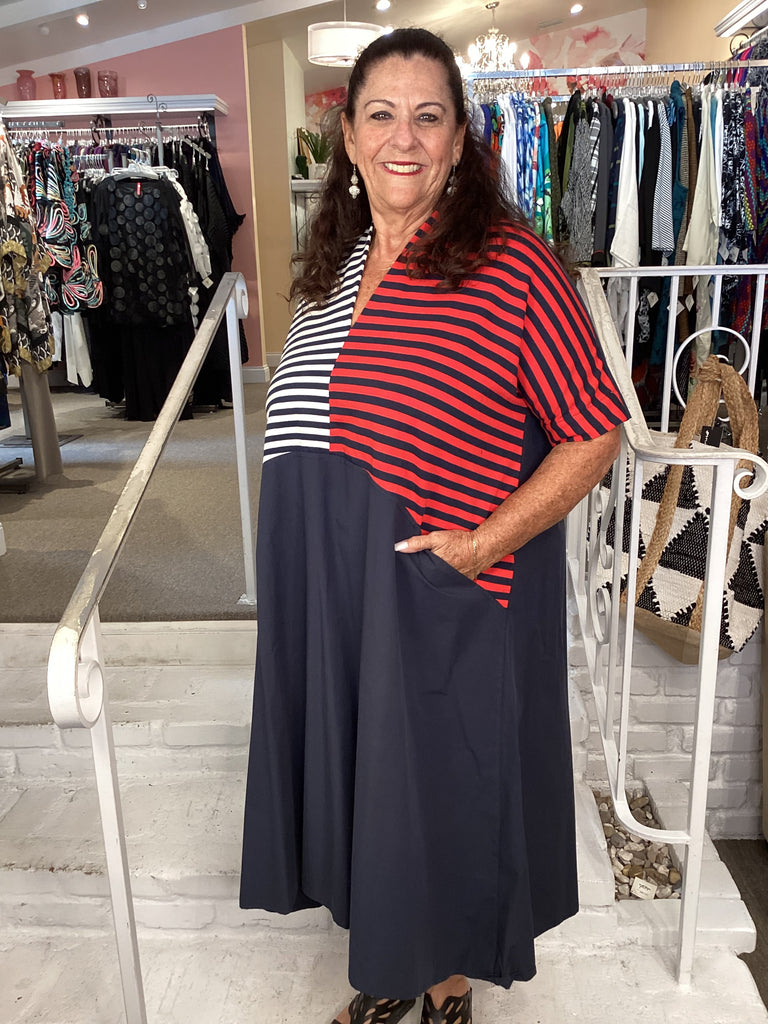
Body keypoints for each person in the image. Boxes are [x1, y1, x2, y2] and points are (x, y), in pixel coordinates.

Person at [240, 27, 628, 1024]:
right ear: (349, 138)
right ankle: (388, 969)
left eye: (428, 116)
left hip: (442, 592)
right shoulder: (339, 265)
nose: (402, 138)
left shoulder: (510, 266)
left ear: (459, 140)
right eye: (381, 115)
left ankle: (445, 984)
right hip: (334, 593)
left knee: (440, 792)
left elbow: (594, 431)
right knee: (374, 793)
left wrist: (480, 545)